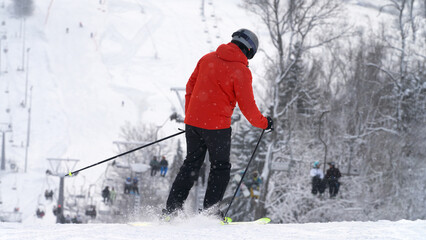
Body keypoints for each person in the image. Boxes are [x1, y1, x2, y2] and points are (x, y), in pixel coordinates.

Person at [163, 29, 273, 219]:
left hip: (194, 124)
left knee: (190, 165)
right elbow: (248, 107)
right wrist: (264, 123)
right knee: (220, 167)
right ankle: (209, 214)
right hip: (217, 128)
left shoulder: (207, 59)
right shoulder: (241, 71)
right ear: (248, 50)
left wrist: (191, 116)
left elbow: (190, 87)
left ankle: (171, 211)